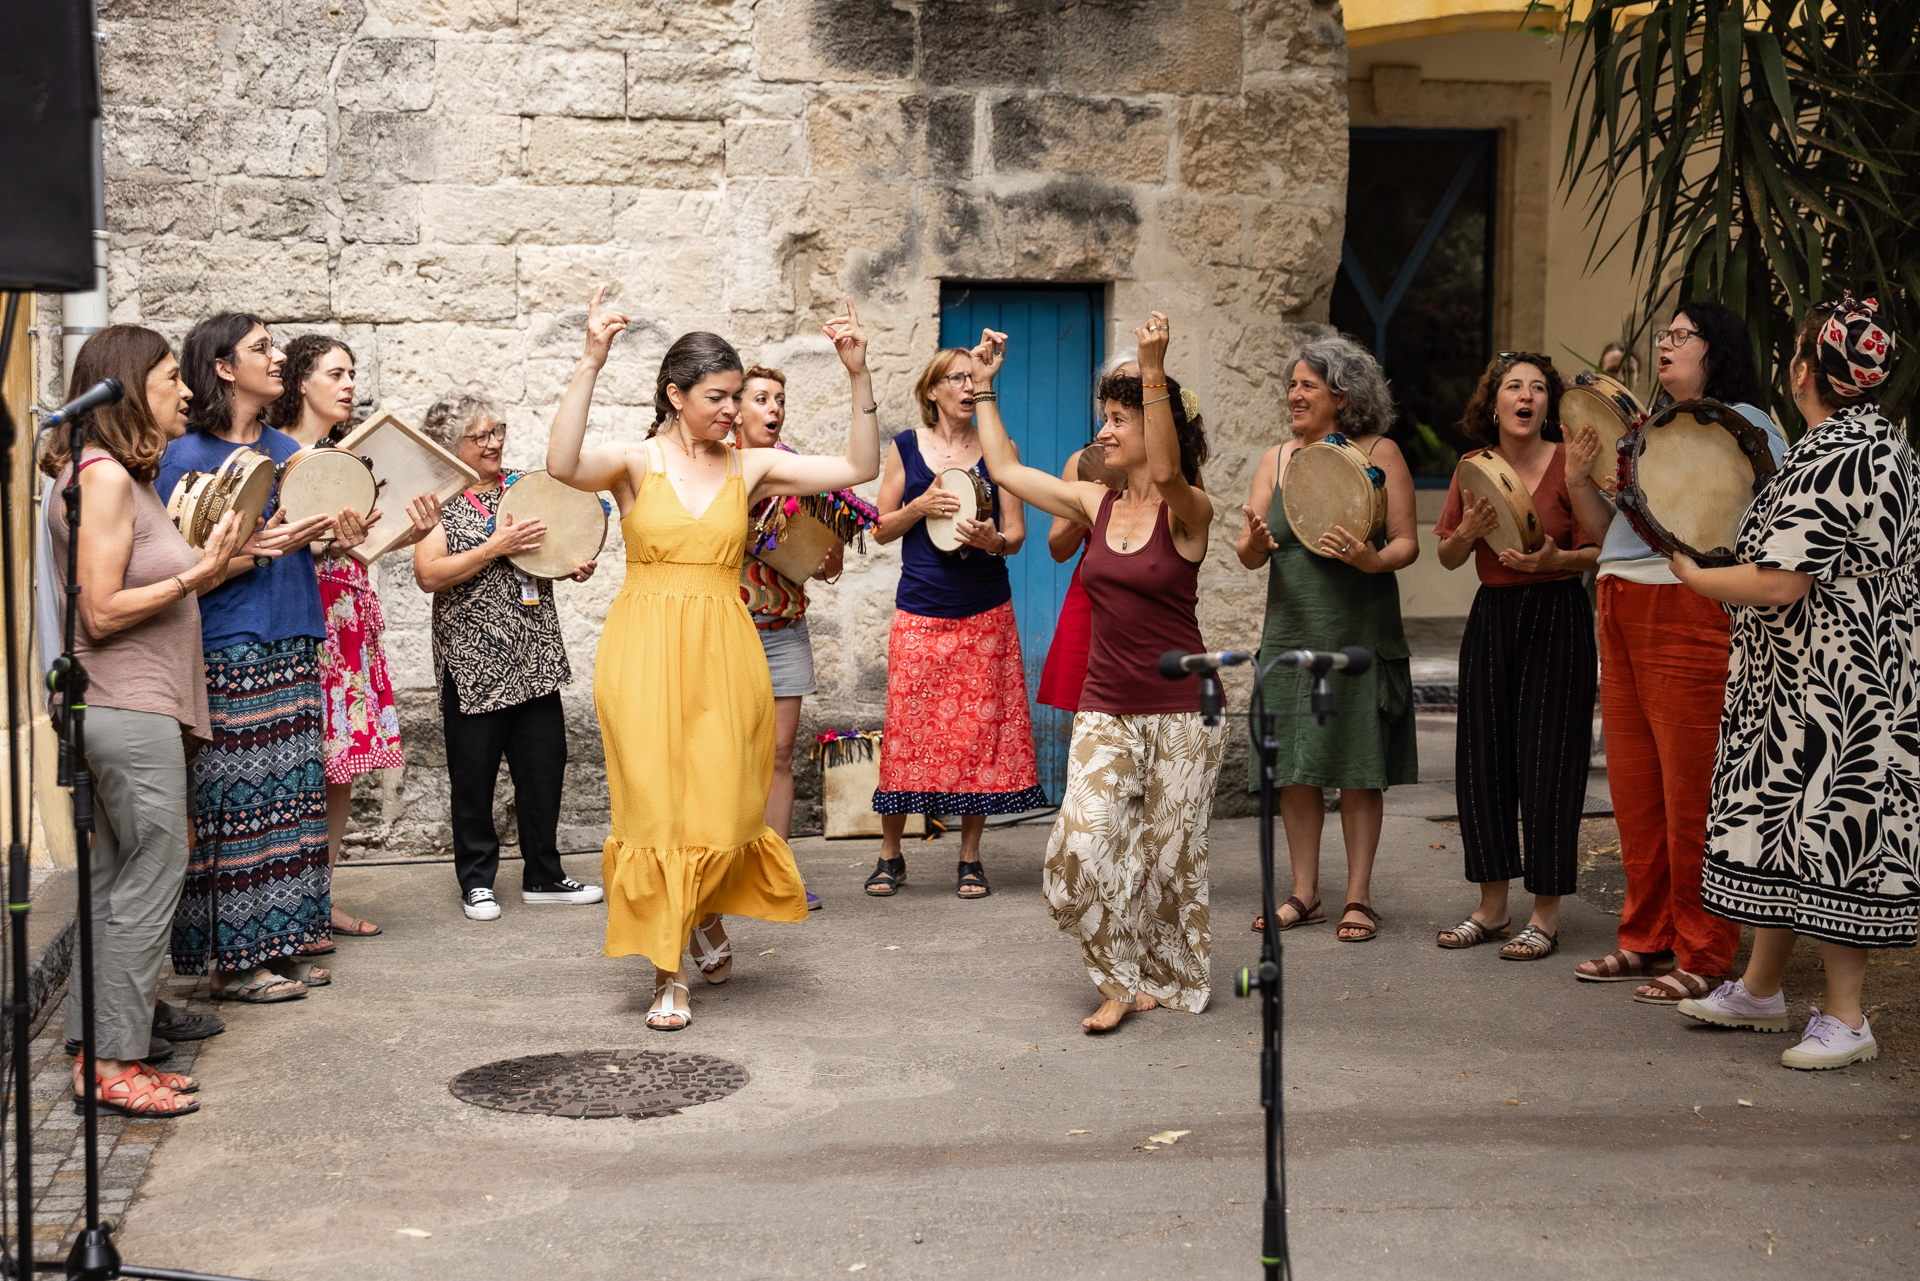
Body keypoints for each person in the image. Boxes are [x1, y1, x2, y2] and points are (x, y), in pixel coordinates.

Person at [544, 290, 880, 1032]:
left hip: (728, 651)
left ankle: (702, 912)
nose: (733, 410)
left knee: (726, 805)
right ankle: (667, 972)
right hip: (644, 651)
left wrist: (858, 372)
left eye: (737, 397)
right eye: (718, 397)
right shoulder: (635, 463)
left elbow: (859, 465)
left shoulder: (750, 467)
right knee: (656, 809)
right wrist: (591, 359)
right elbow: (560, 462)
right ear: (676, 395)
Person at [1672, 296, 1915, 1068]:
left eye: (1799, 350)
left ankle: (1846, 1017)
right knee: (1785, 827)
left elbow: (1781, 580)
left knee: (1834, 833)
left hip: (1838, 687)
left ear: (1807, 369)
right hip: (1813, 676)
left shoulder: (1843, 451)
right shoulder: (1871, 440)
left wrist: (1693, 574)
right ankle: (1760, 988)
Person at [969, 312, 1224, 1032]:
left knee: (1168, 860)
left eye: (1118, 420)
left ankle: (1157, 977)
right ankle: (1116, 974)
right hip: (1105, 705)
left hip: (1183, 711)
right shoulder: (1094, 501)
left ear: (1157, 427)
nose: (1103, 433)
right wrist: (985, 389)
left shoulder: (1191, 511)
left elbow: (1167, 473)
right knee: (1081, 849)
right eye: (1104, 418)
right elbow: (1007, 471)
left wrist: (1153, 367)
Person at [41, 326, 257, 1114]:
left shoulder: (112, 477)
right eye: (171, 376)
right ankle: (115, 1061)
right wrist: (196, 575)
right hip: (125, 705)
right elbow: (99, 612)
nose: (187, 390)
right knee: (156, 868)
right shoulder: (101, 479)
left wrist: (220, 557)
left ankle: (95, 1052)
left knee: (111, 883)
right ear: (131, 386)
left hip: (120, 705)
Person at [1564, 301, 1789, 1003]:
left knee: (1692, 791)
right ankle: (1647, 936)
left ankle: (1705, 952)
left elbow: (1764, 527)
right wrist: (1576, 480)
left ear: (1715, 349)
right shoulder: (1649, 428)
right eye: (1665, 334)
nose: (1666, 343)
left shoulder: (1746, 425)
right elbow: (1606, 532)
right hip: (1619, 601)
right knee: (1635, 787)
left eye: (1682, 335)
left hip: (1688, 607)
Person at [160, 314, 343, 1002]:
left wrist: (336, 532)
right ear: (223, 367)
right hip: (227, 641)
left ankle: (280, 943)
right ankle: (232, 963)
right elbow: (173, 573)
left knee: (291, 802)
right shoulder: (183, 456)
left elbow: (307, 543)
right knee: (236, 806)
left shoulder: (288, 450)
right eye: (262, 347)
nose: (279, 357)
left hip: (294, 632)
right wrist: (250, 555)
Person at [1235, 337, 1418, 942]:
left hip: (1358, 632)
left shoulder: (1379, 453)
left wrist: (1372, 561)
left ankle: (1358, 897)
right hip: (1292, 634)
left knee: (1360, 767)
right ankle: (1305, 893)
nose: (1294, 394)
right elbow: (1249, 552)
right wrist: (1254, 541)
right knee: (1297, 767)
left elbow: (1406, 543)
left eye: (1307, 385)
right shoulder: (1276, 460)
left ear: (1342, 395)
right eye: (1291, 385)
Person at [268, 335, 443, 940]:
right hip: (303, 618)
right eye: (335, 374)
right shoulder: (273, 455)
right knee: (300, 764)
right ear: (300, 382)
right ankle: (286, 905)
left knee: (340, 767)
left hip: (347, 616)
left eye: (351, 374)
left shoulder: (345, 456)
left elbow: (356, 547)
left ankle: (319, 898)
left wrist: (404, 533)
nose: (348, 385)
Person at [412, 393, 604, 922]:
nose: (494, 442)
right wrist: (493, 547)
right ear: (449, 445)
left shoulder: (526, 487)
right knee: (473, 778)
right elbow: (429, 574)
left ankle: (544, 875)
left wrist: (572, 563)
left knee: (544, 769)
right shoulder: (437, 500)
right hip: (473, 661)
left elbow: (557, 545)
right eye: (479, 436)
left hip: (534, 653)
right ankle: (477, 882)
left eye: (498, 431)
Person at [1431, 353, 1598, 959]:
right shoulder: (1473, 467)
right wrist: (1469, 533)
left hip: (1558, 612)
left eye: (1537, 388)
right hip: (1493, 615)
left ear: (1548, 404)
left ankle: (1545, 915)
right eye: (1513, 387)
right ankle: (1492, 907)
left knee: (1550, 762)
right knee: (1483, 760)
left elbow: (1598, 550)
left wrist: (1557, 560)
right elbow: (1449, 556)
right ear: (1494, 402)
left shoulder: (1571, 462)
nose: (1525, 396)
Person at [865, 347, 1047, 901]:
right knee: (907, 732)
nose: (968, 387)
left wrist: (996, 541)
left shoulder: (1000, 449)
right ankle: (890, 855)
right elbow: (880, 528)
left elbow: (1016, 534)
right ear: (933, 391)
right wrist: (919, 507)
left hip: (986, 612)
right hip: (920, 610)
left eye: (974, 378)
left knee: (979, 737)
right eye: (957, 378)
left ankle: (970, 858)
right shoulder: (904, 447)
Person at [733, 364, 877, 908]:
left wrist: (826, 555)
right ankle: (726, 870)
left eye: (779, 399)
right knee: (728, 755)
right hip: (728, 631)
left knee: (778, 755)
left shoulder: (796, 473)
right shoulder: (716, 469)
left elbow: (825, 563)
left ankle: (775, 875)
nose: (774, 408)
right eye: (761, 398)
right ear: (735, 411)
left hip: (784, 629)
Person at [1035, 350, 1133, 715]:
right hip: (1092, 597)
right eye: (1117, 387)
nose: (1125, 393)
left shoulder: (1172, 469)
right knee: (1089, 715)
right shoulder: (1082, 462)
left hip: (1147, 594)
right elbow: (1058, 549)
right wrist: (1087, 512)